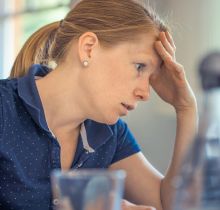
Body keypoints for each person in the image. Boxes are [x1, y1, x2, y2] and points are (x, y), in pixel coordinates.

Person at [0, 0, 197, 210]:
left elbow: (173, 205)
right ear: (88, 48)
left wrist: (186, 108)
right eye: (139, 66)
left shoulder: (109, 133)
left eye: (150, 78)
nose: (145, 93)